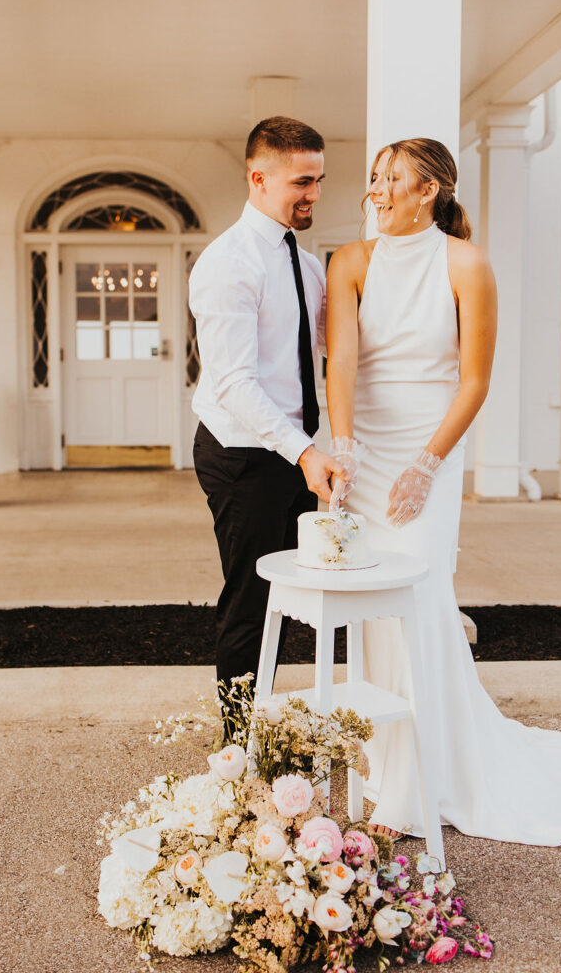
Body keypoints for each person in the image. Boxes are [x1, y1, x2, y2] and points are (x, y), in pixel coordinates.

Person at [325, 137, 561, 854]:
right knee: (368, 615)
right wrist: (342, 445)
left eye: (392, 179)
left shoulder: (466, 263)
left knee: (418, 605)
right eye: (373, 179)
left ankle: (413, 785)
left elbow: (474, 380)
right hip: (365, 456)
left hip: (429, 450)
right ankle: (388, 753)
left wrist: (425, 465)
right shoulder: (349, 262)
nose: (376, 191)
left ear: (430, 190)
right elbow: (343, 365)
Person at [191, 116, 346, 729]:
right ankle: (238, 746)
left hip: (291, 450)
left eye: (319, 180)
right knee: (251, 598)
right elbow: (233, 384)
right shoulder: (229, 263)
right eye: (302, 182)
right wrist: (305, 453)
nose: (313, 193)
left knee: (286, 596)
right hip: (245, 455)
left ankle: (265, 723)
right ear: (259, 178)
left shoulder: (306, 265)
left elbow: (326, 354)